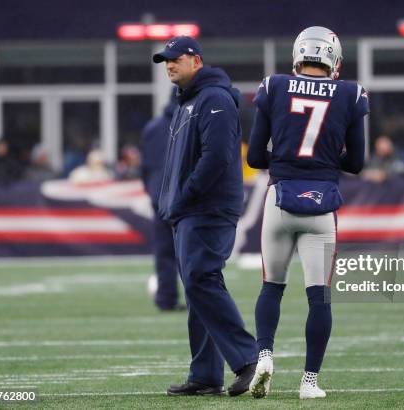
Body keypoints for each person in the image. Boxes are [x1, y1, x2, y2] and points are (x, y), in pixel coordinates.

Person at [246, 26, 367, 399]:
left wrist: (285, 160)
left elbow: (253, 157)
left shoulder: (274, 86)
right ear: (333, 60)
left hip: (279, 197)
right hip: (322, 204)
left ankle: (264, 355)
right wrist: (323, 161)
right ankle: (309, 382)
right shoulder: (351, 93)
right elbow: (358, 162)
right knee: (319, 296)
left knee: (271, 286)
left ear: (299, 55)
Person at [152, 36, 258, 397]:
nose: (169, 65)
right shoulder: (188, 101)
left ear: (196, 60)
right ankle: (205, 375)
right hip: (189, 210)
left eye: (175, 58)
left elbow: (217, 156)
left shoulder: (214, 97)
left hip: (208, 207)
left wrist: (184, 196)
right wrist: (173, 202)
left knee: (201, 279)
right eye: (165, 60)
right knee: (197, 287)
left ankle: (249, 361)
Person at [140, 92, 183, 311]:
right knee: (194, 254)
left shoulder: (152, 128)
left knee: (164, 253)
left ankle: (166, 299)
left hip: (160, 199)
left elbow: (145, 168)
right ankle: (200, 302)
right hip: (187, 199)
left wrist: (152, 192)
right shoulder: (192, 124)